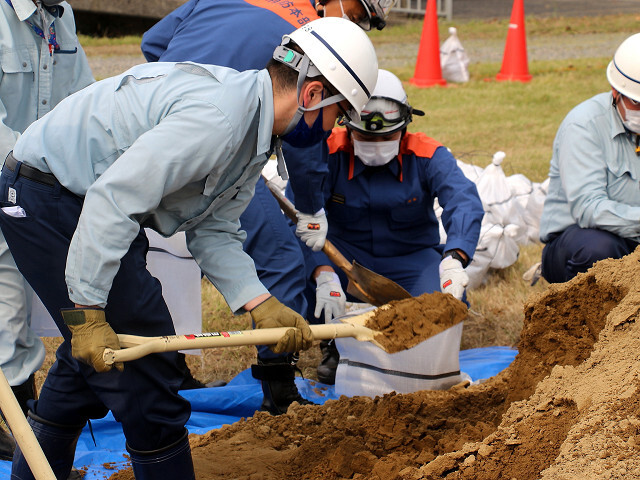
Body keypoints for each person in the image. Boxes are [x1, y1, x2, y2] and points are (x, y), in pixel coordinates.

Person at [0, 17, 377, 479]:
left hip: (84, 199)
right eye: (338, 115)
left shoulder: (253, 131)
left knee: (101, 354)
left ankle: (34, 474)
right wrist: (86, 310)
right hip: (46, 194)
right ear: (312, 94)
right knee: (150, 366)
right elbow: (113, 200)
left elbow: (213, 229)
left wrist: (262, 305)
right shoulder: (219, 119)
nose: (333, 130)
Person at [140, 0, 397, 414]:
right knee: (279, 256)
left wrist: (186, 96)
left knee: (158, 260)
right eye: (361, 14)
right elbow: (308, 126)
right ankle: (279, 391)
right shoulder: (315, 39)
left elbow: (154, 43)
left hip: (155, 119)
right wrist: (311, 208)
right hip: (204, 144)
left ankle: (166, 372)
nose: (358, 24)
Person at [289, 69, 484, 384]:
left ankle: (413, 353)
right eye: (366, 136)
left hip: (411, 259)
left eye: (386, 137)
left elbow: (464, 200)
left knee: (442, 305)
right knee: (301, 285)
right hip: (343, 258)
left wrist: (454, 258)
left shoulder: (428, 154)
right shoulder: (326, 151)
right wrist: (321, 273)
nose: (376, 144)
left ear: (404, 127)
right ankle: (335, 345)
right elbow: (299, 213)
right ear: (347, 125)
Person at [0, 0, 93, 461]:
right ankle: (25, 447)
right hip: (14, 182)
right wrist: (33, 174)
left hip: (37, 192)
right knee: (8, 317)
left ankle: (32, 437)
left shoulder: (60, 16)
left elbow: (84, 101)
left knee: (31, 319)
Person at [540, 33, 640, 284]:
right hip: (579, 240)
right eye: (638, 103)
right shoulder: (584, 126)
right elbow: (589, 208)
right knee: (598, 250)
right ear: (616, 91)